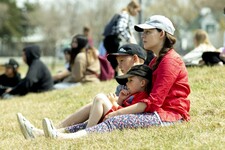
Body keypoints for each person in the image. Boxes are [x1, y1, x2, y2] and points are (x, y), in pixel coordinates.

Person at [17, 15, 190, 140]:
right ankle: (48, 133)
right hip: (157, 112)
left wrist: (119, 111)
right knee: (104, 111)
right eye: (142, 32)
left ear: (162, 34)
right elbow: (146, 97)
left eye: (148, 32)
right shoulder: (156, 61)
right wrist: (121, 103)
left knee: (115, 120)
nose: (142, 36)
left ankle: (66, 137)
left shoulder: (170, 62)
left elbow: (153, 101)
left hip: (169, 116)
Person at [16, 43, 147, 139]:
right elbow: (122, 103)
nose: (119, 65)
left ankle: (84, 134)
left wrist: (115, 104)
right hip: (115, 113)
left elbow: (140, 105)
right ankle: (48, 131)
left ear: (135, 59)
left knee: (100, 99)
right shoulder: (124, 82)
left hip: (120, 118)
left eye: (122, 61)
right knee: (94, 105)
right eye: (118, 62)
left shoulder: (144, 78)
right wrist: (117, 101)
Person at [103, 0, 140, 75]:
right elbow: (120, 28)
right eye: (137, 10)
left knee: (115, 61)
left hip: (109, 39)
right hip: (112, 40)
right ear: (133, 8)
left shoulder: (123, 14)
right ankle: (117, 76)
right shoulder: (125, 14)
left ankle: (116, 75)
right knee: (117, 60)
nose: (137, 13)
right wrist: (129, 39)